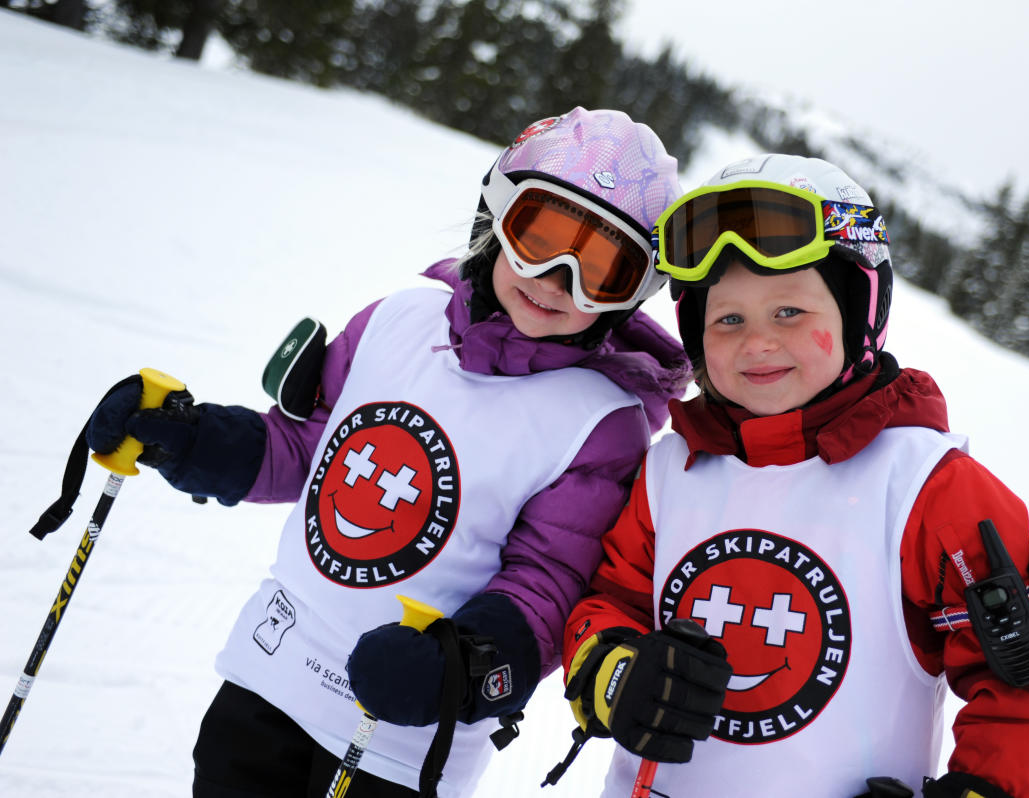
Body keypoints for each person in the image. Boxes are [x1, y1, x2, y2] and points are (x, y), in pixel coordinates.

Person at [84, 107, 690, 798]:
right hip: (269, 678)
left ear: (633, 292)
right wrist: (195, 441)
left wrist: (461, 666)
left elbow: (547, 583)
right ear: (496, 214)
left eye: (600, 268)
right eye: (539, 235)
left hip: (396, 739)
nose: (555, 278)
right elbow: (308, 446)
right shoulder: (399, 320)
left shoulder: (600, 423)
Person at [557, 154, 1029, 798]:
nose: (757, 343)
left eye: (789, 312)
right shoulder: (672, 469)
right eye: (728, 319)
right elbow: (609, 601)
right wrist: (615, 674)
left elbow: (1027, 688)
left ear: (860, 313)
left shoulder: (931, 488)